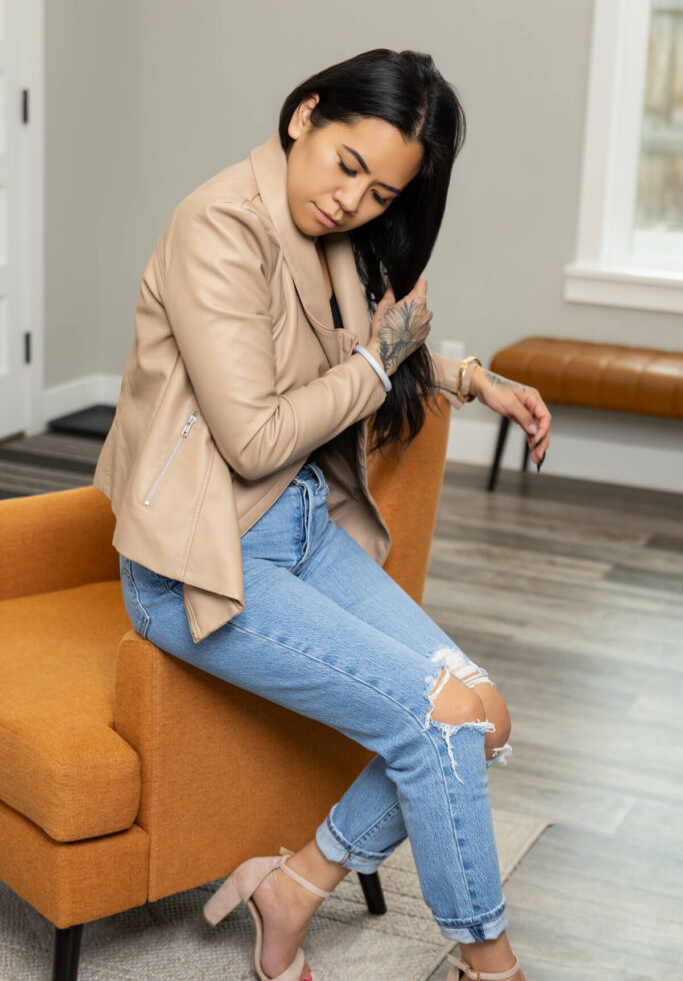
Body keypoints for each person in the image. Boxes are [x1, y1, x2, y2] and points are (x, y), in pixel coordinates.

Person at [94, 48, 551, 981]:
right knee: (440, 725)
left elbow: (353, 351)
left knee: (485, 716)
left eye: (382, 193)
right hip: (203, 566)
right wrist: (384, 361)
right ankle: (489, 964)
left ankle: (293, 887)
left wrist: (469, 378)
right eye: (348, 167)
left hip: (297, 531)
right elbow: (258, 437)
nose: (353, 202)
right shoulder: (219, 225)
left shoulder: (327, 233)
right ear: (304, 114)